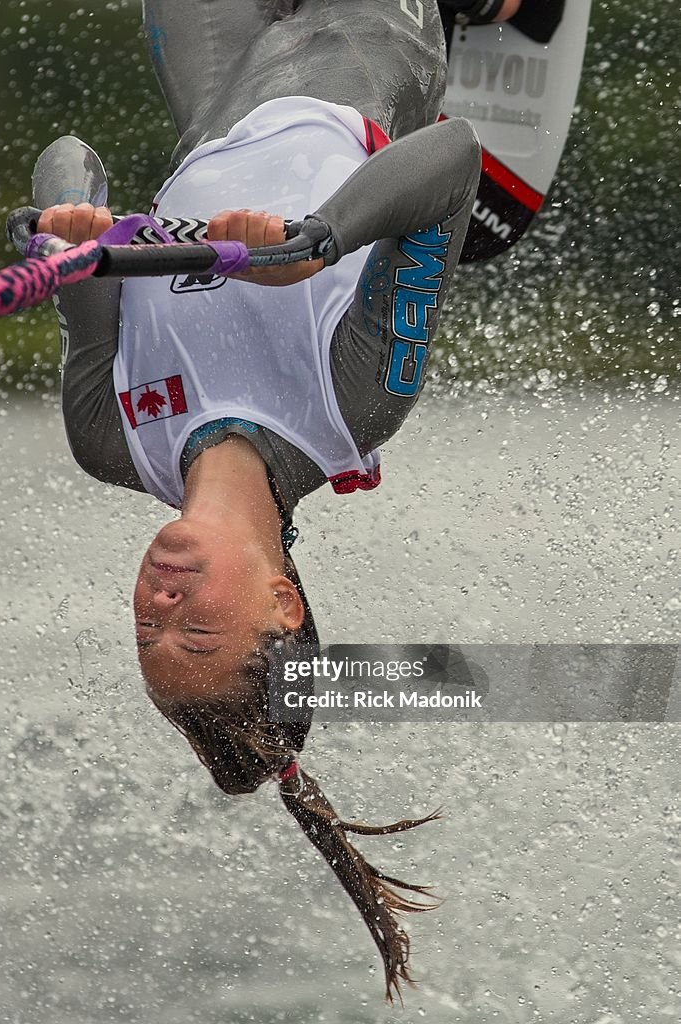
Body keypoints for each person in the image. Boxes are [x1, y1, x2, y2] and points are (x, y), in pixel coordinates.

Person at [36, 0, 531, 1003]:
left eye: (144, 638)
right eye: (199, 633)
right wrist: (320, 239)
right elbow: (450, 155)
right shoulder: (353, 403)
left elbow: (67, 157)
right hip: (370, 44)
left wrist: (67, 232)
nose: (158, 608)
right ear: (281, 604)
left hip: (219, 80)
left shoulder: (108, 434)